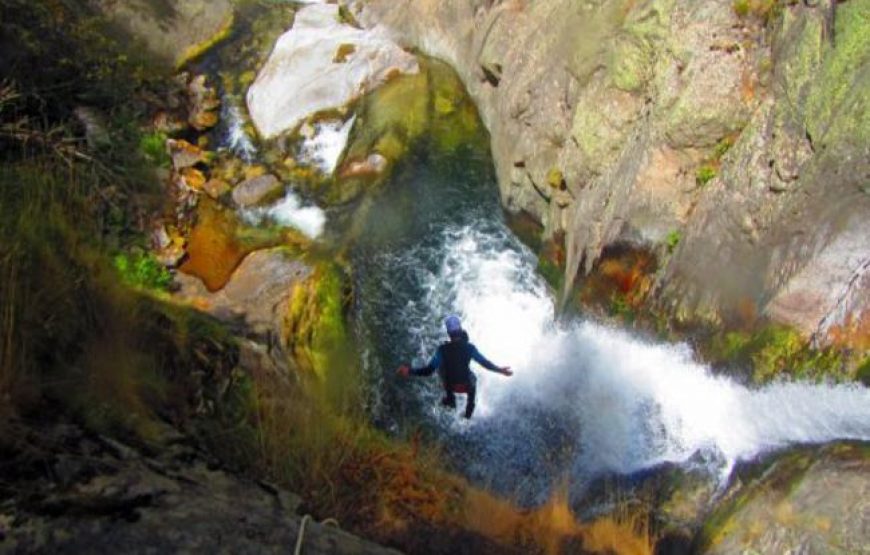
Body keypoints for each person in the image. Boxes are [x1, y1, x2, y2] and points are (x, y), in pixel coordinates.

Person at [397, 315, 512, 418]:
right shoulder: (470, 348)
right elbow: (485, 363)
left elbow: (428, 371)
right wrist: (500, 370)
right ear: (460, 330)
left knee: (441, 367)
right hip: (466, 387)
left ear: (448, 333)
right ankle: (469, 410)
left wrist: (410, 371)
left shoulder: (442, 350)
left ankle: (450, 399)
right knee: (473, 378)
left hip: (451, 386)